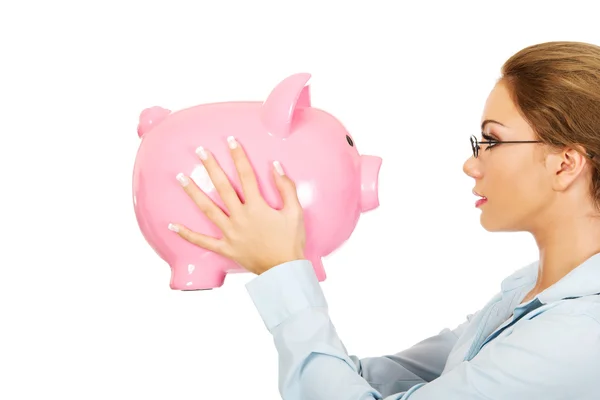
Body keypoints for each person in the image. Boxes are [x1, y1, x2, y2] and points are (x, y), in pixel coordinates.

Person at [167, 40, 600, 399]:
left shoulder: (580, 334)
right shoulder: (527, 292)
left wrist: (283, 274)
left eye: (490, 140)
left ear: (565, 164)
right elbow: (387, 377)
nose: (471, 165)